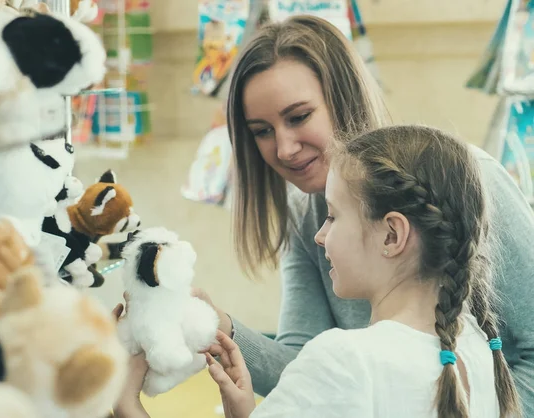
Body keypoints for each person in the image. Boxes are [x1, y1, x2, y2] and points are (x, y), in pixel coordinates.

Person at [190, 14, 534, 415]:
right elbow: (306, 372)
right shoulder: (305, 217)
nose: (283, 149)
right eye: (261, 131)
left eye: (299, 117)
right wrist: (219, 326)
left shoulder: (470, 181)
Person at [202, 124, 522, 417]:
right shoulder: (478, 345)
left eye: (332, 216)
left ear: (392, 235)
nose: (320, 235)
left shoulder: (344, 360)